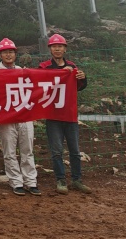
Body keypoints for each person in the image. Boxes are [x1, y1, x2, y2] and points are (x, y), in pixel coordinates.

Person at [0, 38, 41, 196]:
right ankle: (16, 182)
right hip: (5, 117)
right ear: (0, 55)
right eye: (5, 52)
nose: (8, 55)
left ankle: (30, 181)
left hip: (24, 115)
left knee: (27, 149)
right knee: (9, 151)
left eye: (11, 52)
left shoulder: (21, 71)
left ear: (15, 54)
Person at [39, 33, 91, 195]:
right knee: (56, 151)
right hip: (53, 116)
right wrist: (60, 72)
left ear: (65, 49)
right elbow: (38, 83)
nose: (57, 49)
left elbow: (79, 87)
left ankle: (77, 180)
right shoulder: (44, 67)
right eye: (54, 46)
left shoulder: (73, 66)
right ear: (50, 49)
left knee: (75, 150)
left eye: (60, 46)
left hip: (70, 115)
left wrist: (83, 77)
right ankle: (60, 180)